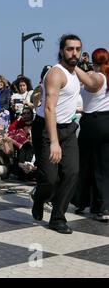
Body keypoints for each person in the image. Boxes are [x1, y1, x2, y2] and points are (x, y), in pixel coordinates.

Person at [31, 34, 82, 234]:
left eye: (78, 49)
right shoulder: (56, 73)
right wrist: (54, 142)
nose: (74, 53)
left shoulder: (76, 72)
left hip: (67, 128)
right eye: (70, 49)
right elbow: (49, 108)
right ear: (61, 50)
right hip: (46, 127)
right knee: (50, 180)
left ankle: (58, 217)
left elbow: (94, 85)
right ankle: (39, 197)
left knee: (72, 172)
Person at [72, 48, 109, 221]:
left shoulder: (98, 76)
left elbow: (90, 82)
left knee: (86, 163)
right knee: (103, 166)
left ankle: (86, 203)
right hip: (105, 121)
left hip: (94, 122)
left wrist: (72, 64)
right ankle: (97, 205)